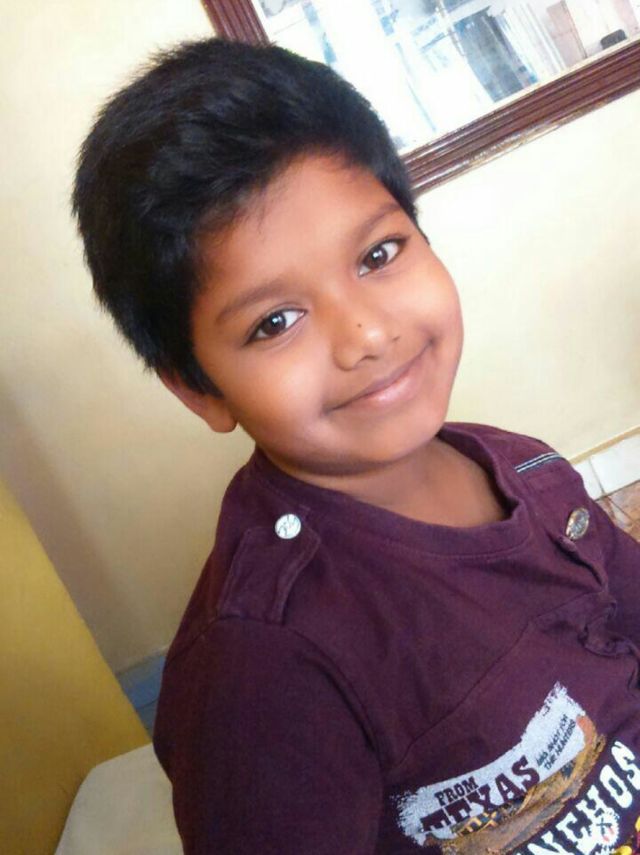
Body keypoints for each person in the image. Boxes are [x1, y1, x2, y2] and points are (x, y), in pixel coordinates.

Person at [72, 38, 640, 855]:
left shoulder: (526, 466)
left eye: (378, 254)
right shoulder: (263, 670)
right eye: (275, 321)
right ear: (199, 389)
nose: (367, 333)